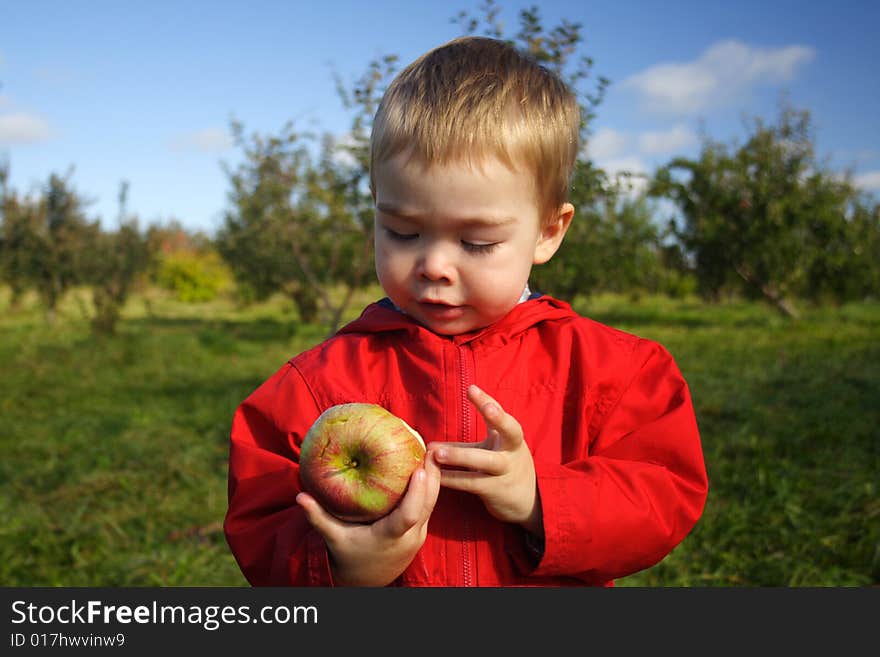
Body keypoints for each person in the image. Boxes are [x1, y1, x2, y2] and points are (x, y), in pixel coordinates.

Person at [224, 36, 708, 587]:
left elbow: (664, 495)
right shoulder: (318, 384)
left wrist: (540, 498)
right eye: (402, 232)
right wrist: (345, 566)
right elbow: (259, 518)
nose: (434, 265)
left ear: (549, 231)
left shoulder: (614, 371)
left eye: (477, 243)